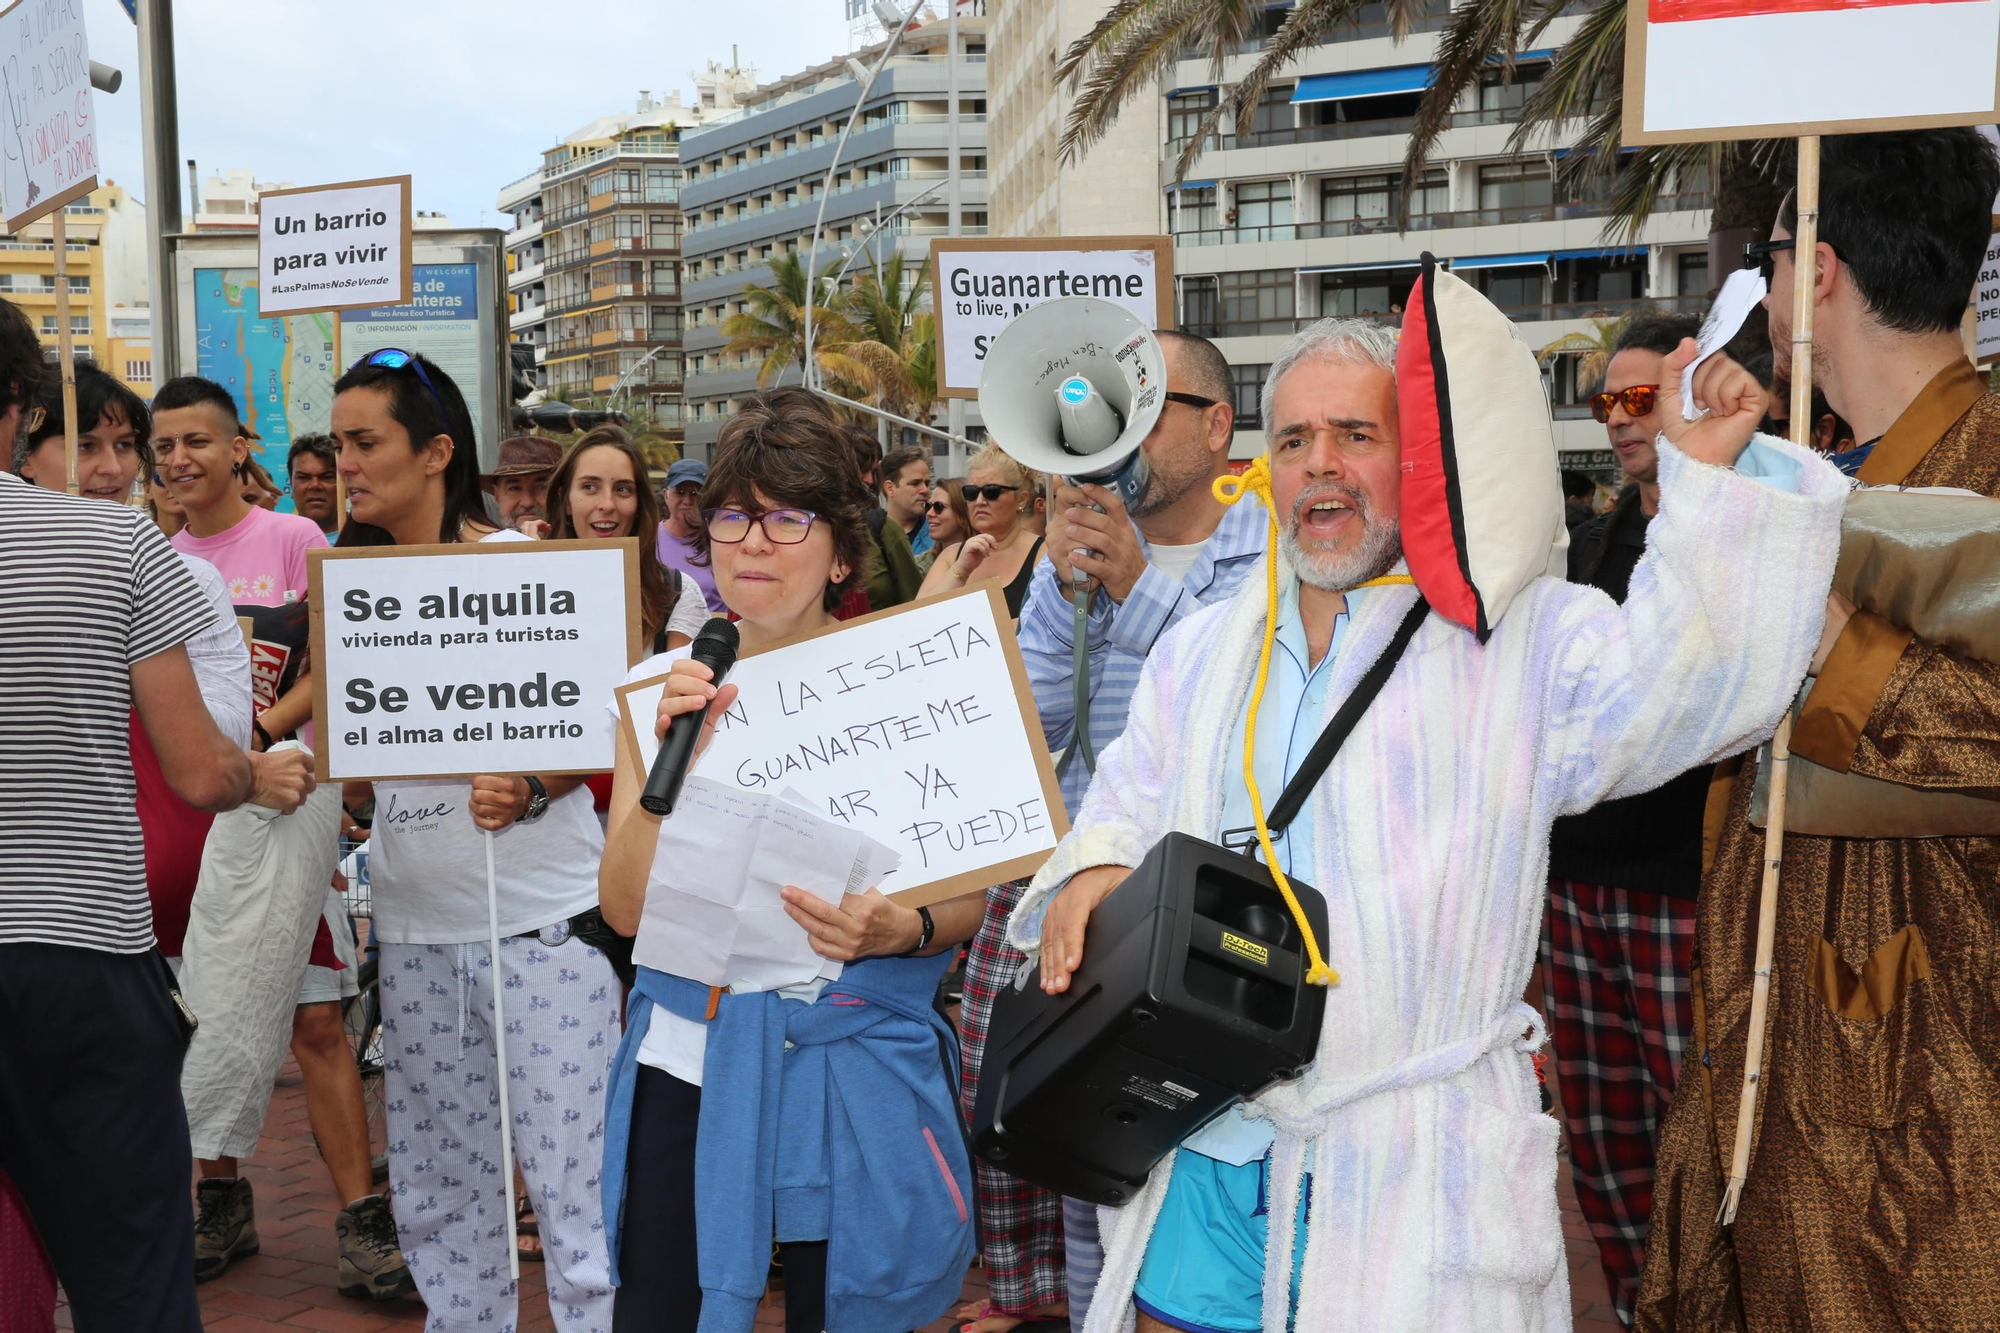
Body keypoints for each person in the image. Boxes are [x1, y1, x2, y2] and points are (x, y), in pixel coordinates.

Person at [1012, 316, 1847, 1333]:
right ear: (1262, 469)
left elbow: (1697, 691)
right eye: (1293, 441)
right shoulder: (1197, 652)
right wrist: (1093, 872)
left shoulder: (1516, 635)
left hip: (1411, 1168)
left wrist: (1715, 482)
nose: (1320, 466)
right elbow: (1123, 805)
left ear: (1417, 460)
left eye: (1354, 435)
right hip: (1206, 1144)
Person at [1639, 128, 2000, 1332]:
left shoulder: (1984, 462)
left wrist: (1817, 628)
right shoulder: (1811, 475)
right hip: (1770, 1050)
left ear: (1818, 270)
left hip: (1934, 1077)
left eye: (1776, 247)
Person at [597, 385, 982, 1333]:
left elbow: (968, 900)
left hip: (846, 1069)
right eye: (734, 516)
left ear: (843, 548)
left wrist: (901, 927)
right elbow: (622, 911)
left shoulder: (909, 675)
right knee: (659, 1311)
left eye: (786, 518)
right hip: (688, 1063)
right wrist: (664, 750)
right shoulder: (658, 688)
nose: (754, 543)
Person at [0, 294, 314, 1333]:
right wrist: (249, 775)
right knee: (132, 1272)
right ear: (15, 410)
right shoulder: (115, 545)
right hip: (79, 959)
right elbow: (197, 769)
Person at [332, 348, 618, 1329]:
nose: (347, 464)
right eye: (338, 445)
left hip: (542, 929)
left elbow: (599, 734)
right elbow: (360, 768)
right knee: (442, 1198)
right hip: (413, 935)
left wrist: (533, 780)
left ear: (436, 451)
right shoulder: (354, 591)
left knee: (578, 1191)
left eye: (365, 442)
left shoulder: (525, 567)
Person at [1001, 328, 1267, 1333]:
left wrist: (1134, 588)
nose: (1125, 431)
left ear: (1217, 427)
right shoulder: (1069, 550)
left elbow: (1238, 700)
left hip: (1206, 916)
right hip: (1096, 905)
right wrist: (1070, 596)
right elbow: (1036, 724)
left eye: (1152, 407)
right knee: (1090, 1169)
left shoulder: (1268, 541)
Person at [149, 374, 404, 1294]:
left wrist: (256, 741)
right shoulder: (153, 555)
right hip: (195, 820)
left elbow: (340, 659)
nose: (180, 460)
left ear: (238, 447)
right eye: (164, 445)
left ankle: (360, 1218)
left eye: (198, 442)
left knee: (317, 1016)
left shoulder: (295, 538)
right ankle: (222, 1198)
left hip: (288, 807)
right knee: (206, 1007)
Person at [1544, 311, 1713, 1331]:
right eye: (1605, 399)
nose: (1617, 418)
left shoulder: (1726, 535)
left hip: (1685, 888)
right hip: (1575, 886)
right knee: (1602, 1148)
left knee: (1697, 1137)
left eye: (1639, 396)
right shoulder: (1587, 542)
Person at [546, 423, 709, 653]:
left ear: (639, 503)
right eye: (590, 487)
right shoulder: (525, 595)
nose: (607, 504)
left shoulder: (677, 594)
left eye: (623, 489)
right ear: (566, 501)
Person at [916, 444, 1046, 618]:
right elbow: (917, 620)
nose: (979, 501)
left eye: (991, 492)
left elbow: (1042, 626)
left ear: (1021, 499)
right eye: (971, 493)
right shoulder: (952, 555)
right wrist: (961, 569)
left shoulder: (1044, 554)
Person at [8, 361, 148, 502]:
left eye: (123, 445)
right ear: (25, 458)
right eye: (85, 446)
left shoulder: (140, 524)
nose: (113, 468)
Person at [852, 427, 924, 611]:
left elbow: (915, 604)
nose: (869, 480)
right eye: (861, 469)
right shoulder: (812, 527)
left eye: (874, 471)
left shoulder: (885, 529)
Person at [658, 456, 727, 613]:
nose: (687, 500)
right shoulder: (648, 540)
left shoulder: (721, 540)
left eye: (695, 493)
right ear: (665, 495)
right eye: (680, 492)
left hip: (714, 633)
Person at [482, 433, 562, 533]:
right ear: (497, 496)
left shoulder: (584, 546)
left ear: (562, 493)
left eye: (541, 487)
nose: (527, 502)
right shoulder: (484, 546)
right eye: (514, 488)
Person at [882, 444, 935, 558]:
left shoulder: (937, 535)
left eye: (927, 483)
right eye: (915, 483)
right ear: (890, 488)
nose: (925, 490)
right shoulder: (868, 538)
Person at [288, 432, 341, 531]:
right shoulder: (276, 540)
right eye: (303, 478)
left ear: (345, 487)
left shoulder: (372, 539)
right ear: (291, 484)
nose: (315, 485)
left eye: (327, 477)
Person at [923, 477, 972, 567]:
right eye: (928, 506)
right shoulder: (918, 566)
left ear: (963, 514)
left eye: (939, 507)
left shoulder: (987, 561)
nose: (929, 513)